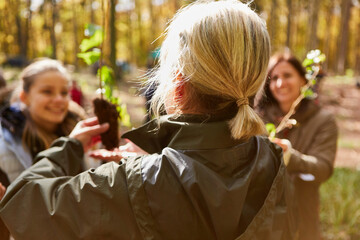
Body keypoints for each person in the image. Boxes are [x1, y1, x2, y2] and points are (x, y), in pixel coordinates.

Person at [0, 1, 298, 239]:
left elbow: (21, 204)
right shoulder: (270, 159)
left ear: (178, 86)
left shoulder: (137, 180)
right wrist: (160, 159)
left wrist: (69, 147)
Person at [255, 52, 338, 240]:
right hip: (262, 216)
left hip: (303, 215)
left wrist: (289, 157)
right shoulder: (257, 120)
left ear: (303, 79)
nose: (280, 83)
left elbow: (323, 168)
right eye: (274, 77)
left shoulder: (323, 121)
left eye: (287, 75)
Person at [0, 59, 85, 185]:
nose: (58, 99)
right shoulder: (6, 142)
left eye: (64, 92)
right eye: (47, 91)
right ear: (25, 97)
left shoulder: (82, 130)